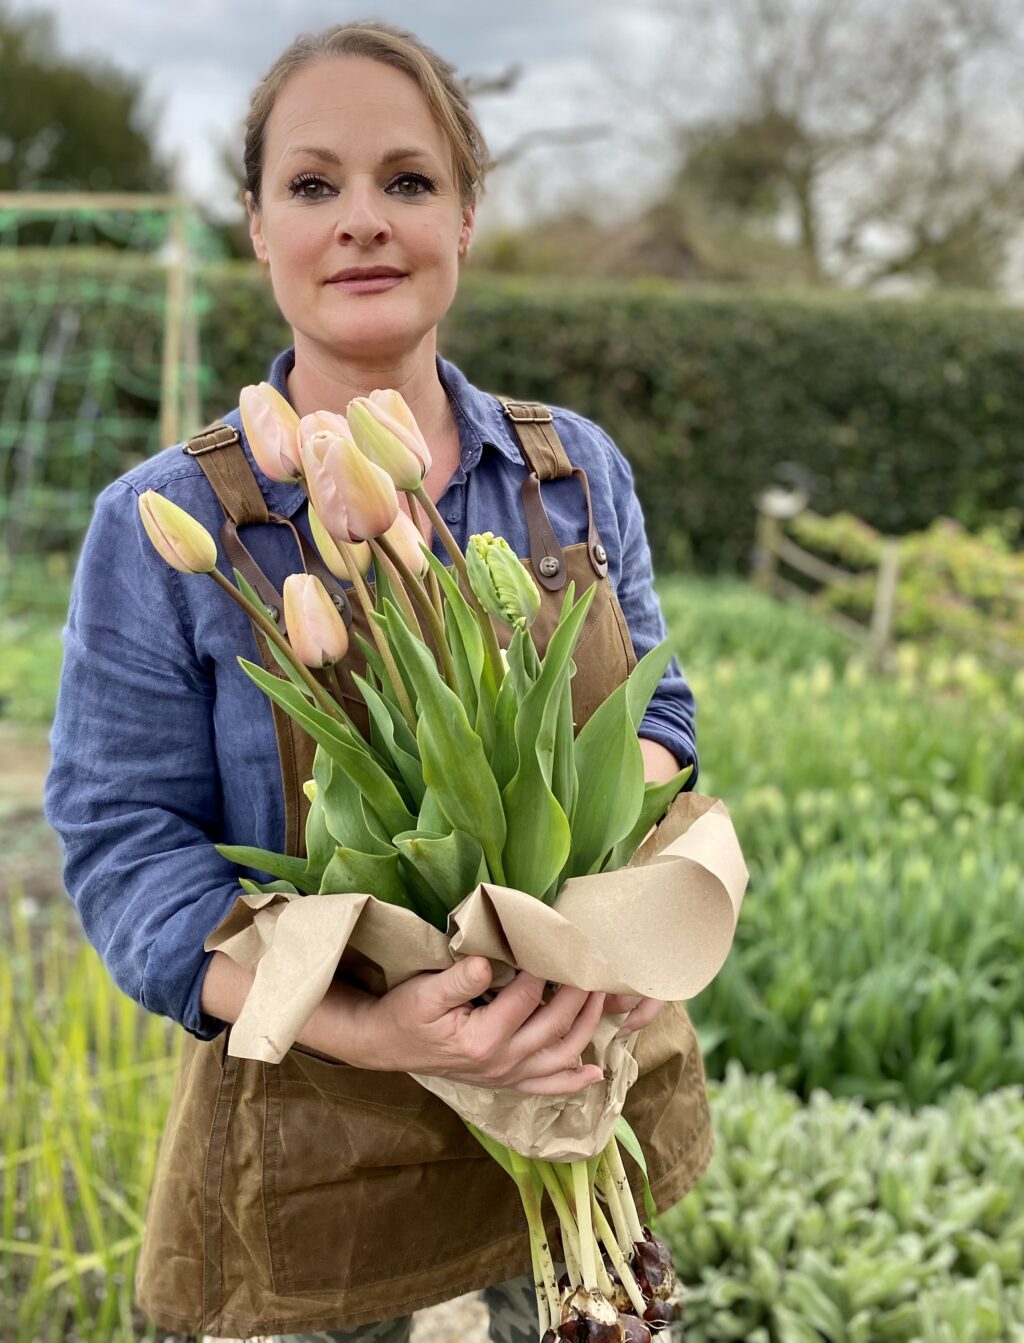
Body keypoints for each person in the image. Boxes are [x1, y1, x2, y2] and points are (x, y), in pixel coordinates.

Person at [44, 22, 709, 1343]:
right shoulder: (169, 526)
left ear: (465, 215)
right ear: (256, 225)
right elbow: (125, 849)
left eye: (408, 180)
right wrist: (369, 1030)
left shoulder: (567, 473)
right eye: (313, 184)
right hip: (323, 1164)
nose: (363, 219)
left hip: (576, 1114)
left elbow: (661, 720)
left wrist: (618, 919)